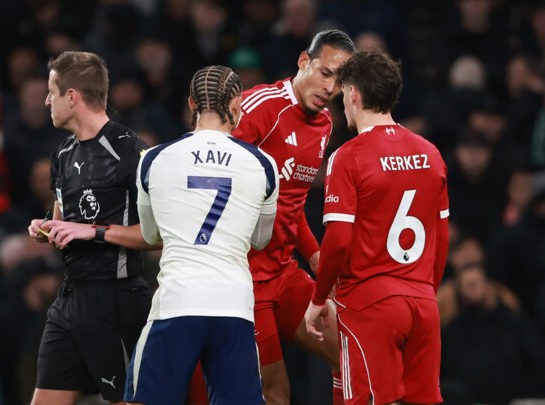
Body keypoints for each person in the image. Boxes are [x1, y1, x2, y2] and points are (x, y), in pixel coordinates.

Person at [124, 65, 278, 405]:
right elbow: (260, 240)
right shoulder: (263, 164)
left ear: (191, 104)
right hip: (235, 305)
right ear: (237, 104)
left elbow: (150, 234)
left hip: (177, 302)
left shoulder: (153, 159)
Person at [304, 50, 449, 405]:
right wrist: (425, 292)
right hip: (423, 303)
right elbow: (441, 238)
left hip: (370, 304)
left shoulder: (348, 157)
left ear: (353, 93)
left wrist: (319, 299)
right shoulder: (431, 154)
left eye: (343, 94)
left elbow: (339, 240)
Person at [230, 28, 355, 404]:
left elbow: (291, 204)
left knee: (352, 358)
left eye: (339, 82)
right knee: (276, 393)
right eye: (325, 72)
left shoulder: (325, 124)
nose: (330, 87)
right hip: (244, 281)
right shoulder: (257, 107)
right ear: (304, 61)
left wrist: (316, 257)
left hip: (283, 272)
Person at [26, 51, 152, 405]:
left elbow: (157, 235)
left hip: (117, 300)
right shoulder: (63, 154)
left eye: (52, 92)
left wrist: (94, 231)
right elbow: (65, 226)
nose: (46, 101)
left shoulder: (132, 152)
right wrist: (48, 229)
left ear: (72, 96)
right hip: (70, 298)